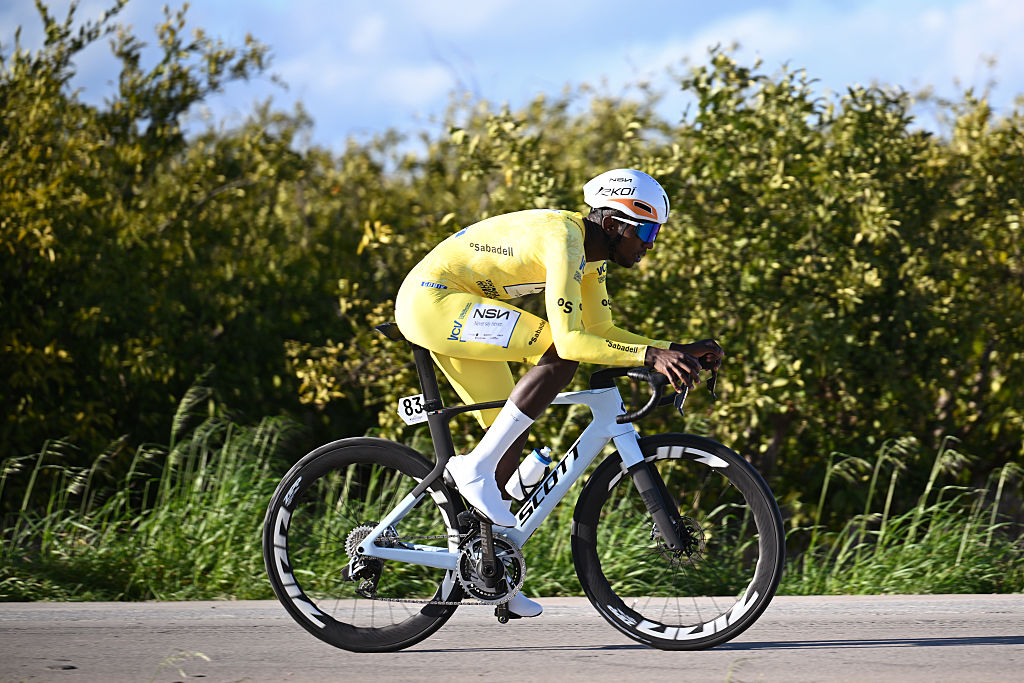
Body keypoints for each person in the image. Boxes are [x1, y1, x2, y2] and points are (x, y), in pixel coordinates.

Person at [394, 168, 724, 617]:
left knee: (508, 435)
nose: (650, 243)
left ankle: (491, 571)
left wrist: (671, 350)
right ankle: (473, 471)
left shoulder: (591, 257)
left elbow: (602, 330)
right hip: (433, 301)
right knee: (557, 352)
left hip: (453, 304)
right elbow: (572, 343)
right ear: (613, 223)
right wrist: (650, 357)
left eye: (656, 232)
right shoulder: (564, 241)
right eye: (645, 230)